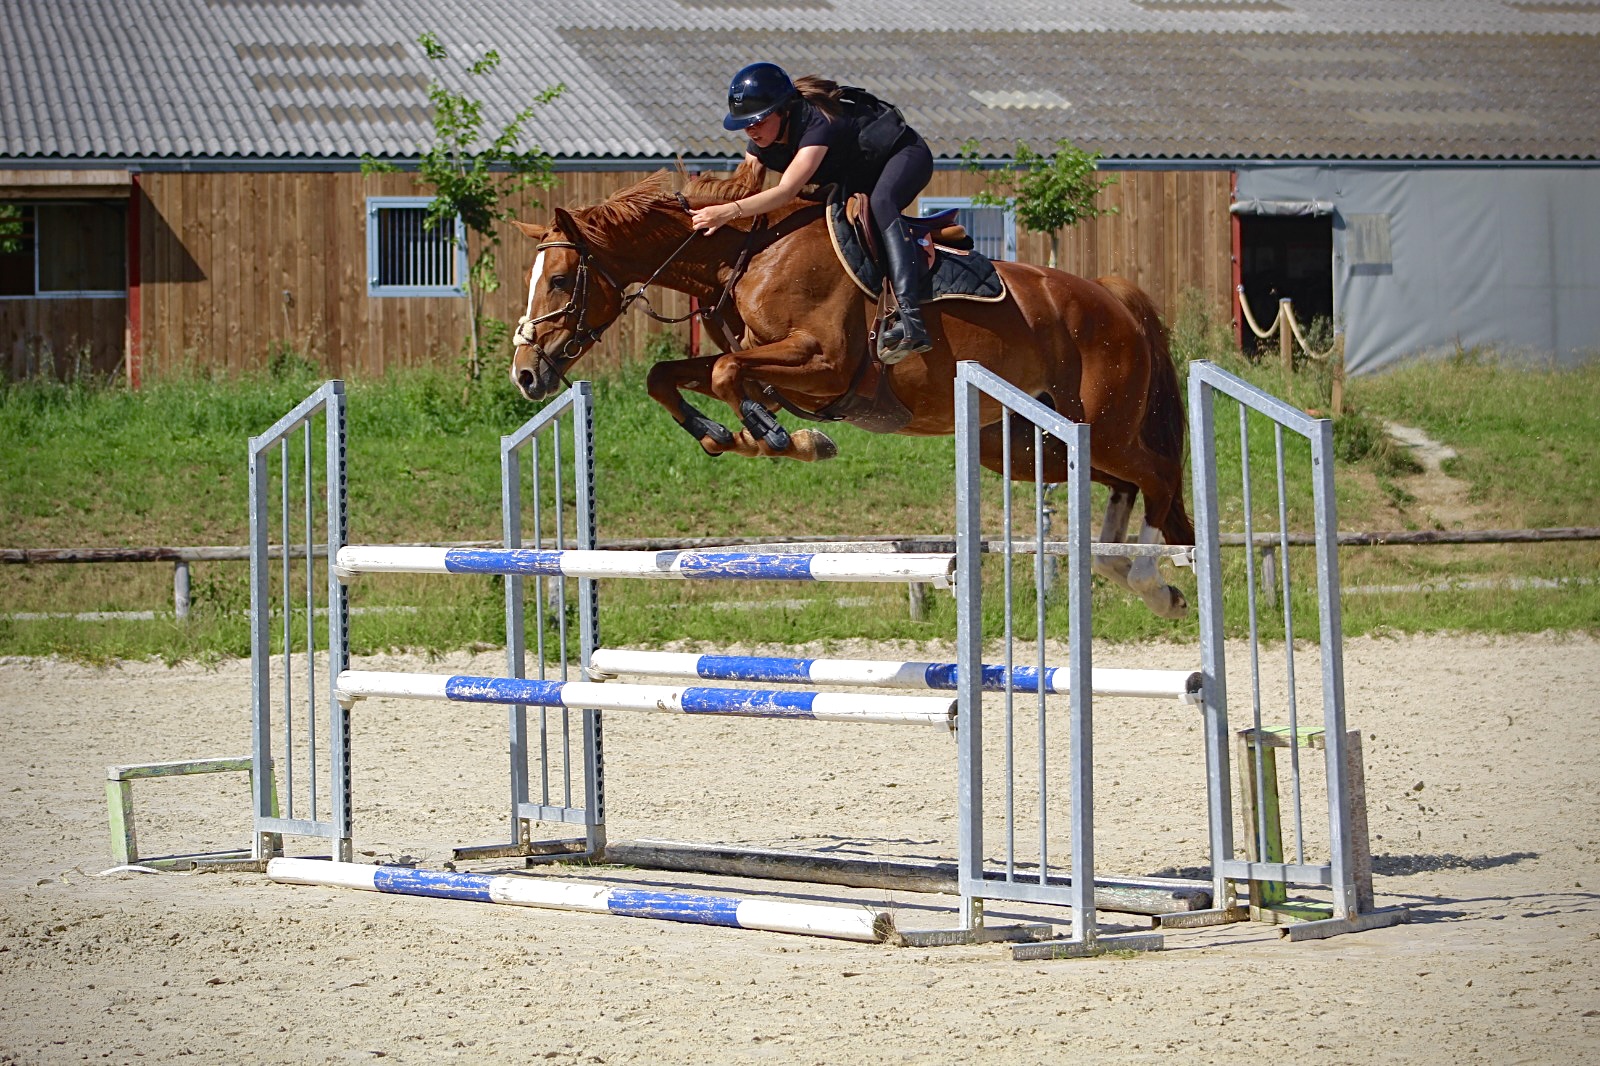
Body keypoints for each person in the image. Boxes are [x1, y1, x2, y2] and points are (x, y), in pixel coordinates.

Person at [690, 62, 935, 364]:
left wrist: (727, 211)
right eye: (745, 123)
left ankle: (911, 320)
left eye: (758, 120)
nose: (751, 130)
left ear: (784, 110)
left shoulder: (817, 123)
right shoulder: (760, 140)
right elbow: (745, 188)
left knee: (881, 202)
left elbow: (785, 191)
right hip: (857, 172)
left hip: (903, 156)